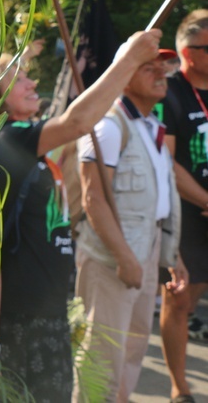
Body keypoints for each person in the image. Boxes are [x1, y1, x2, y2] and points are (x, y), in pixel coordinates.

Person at [0, 29, 161, 402]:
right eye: (19, 77)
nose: (32, 81)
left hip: (47, 312)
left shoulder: (31, 146)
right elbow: (78, 122)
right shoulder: (7, 139)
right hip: (20, 317)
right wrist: (129, 60)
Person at [73, 49, 187, 402]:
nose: (161, 74)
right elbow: (93, 199)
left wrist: (172, 255)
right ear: (123, 73)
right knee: (102, 353)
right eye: (148, 68)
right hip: (113, 257)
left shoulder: (151, 125)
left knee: (133, 348)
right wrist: (124, 258)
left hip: (146, 249)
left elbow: (158, 201)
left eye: (163, 68)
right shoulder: (108, 126)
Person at [159, 9, 208, 403]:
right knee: (178, 298)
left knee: (194, 296)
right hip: (184, 213)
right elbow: (166, 162)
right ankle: (180, 387)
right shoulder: (169, 90)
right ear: (189, 53)